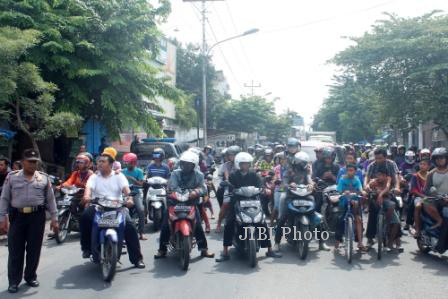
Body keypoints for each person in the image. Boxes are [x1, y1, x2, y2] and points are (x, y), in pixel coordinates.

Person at [0, 149, 59, 293]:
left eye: (35, 162)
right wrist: (2, 218)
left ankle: (30, 276)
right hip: (18, 217)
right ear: (23, 162)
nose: (33, 165)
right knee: (15, 250)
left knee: (34, 249)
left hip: (36, 217)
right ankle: (14, 281)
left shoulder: (44, 178)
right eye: (30, 162)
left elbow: (51, 200)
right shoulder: (12, 177)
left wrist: (55, 218)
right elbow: (4, 198)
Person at [80, 148, 145, 269]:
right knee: (84, 217)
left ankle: (137, 259)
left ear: (110, 164)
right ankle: (87, 248)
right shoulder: (94, 177)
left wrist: (129, 199)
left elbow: (126, 190)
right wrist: (87, 196)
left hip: (117, 206)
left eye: (103, 162)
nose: (99, 163)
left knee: (130, 226)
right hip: (98, 206)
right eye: (99, 161)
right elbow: (88, 189)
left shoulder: (119, 176)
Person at [215, 152, 281, 262]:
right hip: (237, 201)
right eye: (242, 164)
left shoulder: (254, 175)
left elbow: (260, 185)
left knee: (262, 222)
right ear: (238, 164)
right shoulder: (233, 176)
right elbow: (230, 187)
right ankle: (225, 252)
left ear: (249, 164)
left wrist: (265, 190)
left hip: (253, 201)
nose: (244, 166)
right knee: (229, 222)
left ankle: (269, 250)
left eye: (246, 164)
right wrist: (228, 188)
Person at [154, 151, 214, 259]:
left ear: (194, 165)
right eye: (184, 163)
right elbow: (173, 186)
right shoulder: (175, 173)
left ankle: (204, 249)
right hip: (174, 202)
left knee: (199, 226)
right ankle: (162, 250)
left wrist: (196, 192)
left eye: (188, 164)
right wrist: (174, 192)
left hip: (191, 203)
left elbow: (203, 188)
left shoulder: (199, 175)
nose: (185, 166)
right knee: (165, 225)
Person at [274, 151, 330, 252]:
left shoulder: (306, 172)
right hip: (291, 196)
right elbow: (284, 183)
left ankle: (322, 242)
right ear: (297, 162)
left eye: (305, 163)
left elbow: (309, 179)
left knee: (317, 218)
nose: (304, 165)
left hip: (305, 196)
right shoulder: (289, 171)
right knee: (282, 218)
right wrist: (290, 184)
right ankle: (277, 243)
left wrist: (311, 185)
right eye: (303, 163)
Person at [364, 147, 401, 247]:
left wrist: (397, 187)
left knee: (397, 208)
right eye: (376, 158)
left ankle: (396, 237)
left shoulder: (391, 164)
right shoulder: (372, 165)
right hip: (375, 192)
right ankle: (370, 237)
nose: (377, 160)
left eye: (380, 158)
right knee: (373, 211)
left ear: (385, 157)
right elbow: (367, 177)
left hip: (390, 192)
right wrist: (366, 186)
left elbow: (396, 178)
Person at [368, 165, 402, 252]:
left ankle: (390, 241)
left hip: (387, 200)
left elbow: (387, 187)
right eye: (378, 175)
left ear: (386, 175)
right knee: (372, 215)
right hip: (376, 202)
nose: (380, 177)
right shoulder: (374, 181)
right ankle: (371, 238)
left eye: (382, 175)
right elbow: (367, 186)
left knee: (397, 221)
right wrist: (368, 187)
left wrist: (381, 194)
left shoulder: (389, 179)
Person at [335, 163, 367, 252]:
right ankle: (337, 244)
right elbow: (339, 190)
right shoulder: (342, 179)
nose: (350, 172)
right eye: (348, 170)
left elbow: (360, 189)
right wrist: (344, 193)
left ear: (355, 171)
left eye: (351, 170)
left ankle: (360, 243)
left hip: (355, 202)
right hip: (344, 202)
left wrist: (363, 192)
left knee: (359, 220)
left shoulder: (356, 179)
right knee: (340, 220)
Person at [122, 152, 147, 240]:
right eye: (126, 162)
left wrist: (132, 179)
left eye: (128, 162)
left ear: (134, 162)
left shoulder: (139, 171)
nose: (127, 164)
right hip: (124, 194)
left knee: (141, 210)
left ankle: (142, 232)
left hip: (135, 193)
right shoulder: (122, 171)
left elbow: (141, 184)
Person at [422, 148, 448, 230]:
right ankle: (439, 220)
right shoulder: (431, 173)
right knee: (425, 201)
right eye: (437, 158)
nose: (439, 160)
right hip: (437, 199)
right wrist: (434, 193)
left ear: (446, 159)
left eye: (442, 158)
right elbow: (426, 189)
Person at [410, 159, 430, 236]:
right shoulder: (415, 176)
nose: (422, 166)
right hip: (419, 197)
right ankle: (417, 229)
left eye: (424, 164)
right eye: (421, 164)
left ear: (429, 166)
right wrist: (423, 196)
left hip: (431, 197)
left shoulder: (430, 175)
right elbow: (413, 190)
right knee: (418, 206)